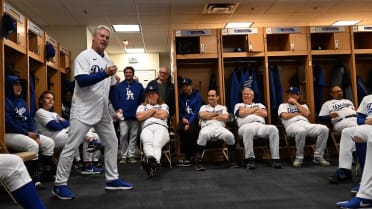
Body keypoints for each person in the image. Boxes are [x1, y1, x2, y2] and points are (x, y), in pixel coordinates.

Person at [52, 25, 133, 200]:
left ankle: (112, 179)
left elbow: (111, 88)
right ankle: (59, 185)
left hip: (102, 110)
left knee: (112, 141)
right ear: (94, 38)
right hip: (83, 110)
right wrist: (104, 73)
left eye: (107, 37)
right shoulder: (84, 57)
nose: (104, 39)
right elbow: (81, 81)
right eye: (101, 36)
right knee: (71, 146)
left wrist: (117, 106)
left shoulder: (109, 60)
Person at [34, 90, 104, 175]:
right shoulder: (40, 112)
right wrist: (61, 122)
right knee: (83, 132)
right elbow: (54, 126)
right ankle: (88, 159)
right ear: (41, 100)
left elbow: (67, 123)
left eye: (52, 99)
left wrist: (61, 123)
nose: (51, 100)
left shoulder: (53, 113)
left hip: (62, 135)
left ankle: (88, 164)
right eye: (48, 98)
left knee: (94, 135)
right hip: (52, 139)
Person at [5, 76, 55, 187]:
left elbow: (29, 120)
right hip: (9, 134)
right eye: (15, 84)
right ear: (9, 86)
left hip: (26, 133)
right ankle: (33, 178)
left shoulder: (22, 101)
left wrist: (35, 133)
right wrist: (28, 134)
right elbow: (9, 123)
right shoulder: (5, 101)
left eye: (20, 85)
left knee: (49, 143)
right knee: (33, 146)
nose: (19, 87)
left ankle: (46, 173)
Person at [318, 86, 361, 184]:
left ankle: (354, 155)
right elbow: (320, 118)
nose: (340, 93)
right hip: (341, 122)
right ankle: (355, 153)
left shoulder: (348, 101)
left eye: (341, 91)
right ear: (331, 94)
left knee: (358, 128)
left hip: (355, 119)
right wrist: (329, 116)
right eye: (337, 92)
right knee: (352, 130)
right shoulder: (328, 104)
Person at [278, 86, 330, 167]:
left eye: (293, 94)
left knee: (324, 129)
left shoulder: (304, 106)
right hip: (291, 126)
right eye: (290, 94)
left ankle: (318, 156)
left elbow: (306, 114)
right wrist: (298, 114)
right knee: (301, 131)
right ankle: (299, 157)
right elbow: (284, 116)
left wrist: (295, 103)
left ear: (298, 96)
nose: (291, 95)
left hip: (306, 124)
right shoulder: (283, 105)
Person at [336, 94, 372, 209]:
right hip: (368, 125)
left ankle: (366, 192)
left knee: (370, 136)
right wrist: (367, 122)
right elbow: (360, 119)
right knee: (353, 132)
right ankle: (345, 170)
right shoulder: (367, 98)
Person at [234, 88, 281, 169]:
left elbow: (264, 113)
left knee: (273, 129)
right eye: (244, 94)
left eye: (248, 94)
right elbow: (241, 113)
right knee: (248, 130)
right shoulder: (238, 105)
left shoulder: (260, 104)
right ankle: (250, 159)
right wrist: (255, 109)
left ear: (253, 96)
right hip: (245, 126)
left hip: (260, 126)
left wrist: (247, 111)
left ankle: (275, 158)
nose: (246, 95)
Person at [195, 89, 238, 171]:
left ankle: (232, 160)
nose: (210, 97)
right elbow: (202, 115)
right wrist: (217, 114)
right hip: (207, 127)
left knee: (230, 136)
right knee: (203, 134)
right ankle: (199, 161)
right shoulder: (203, 107)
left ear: (217, 97)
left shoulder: (222, 107)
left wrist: (209, 116)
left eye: (212, 96)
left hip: (220, 128)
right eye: (209, 96)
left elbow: (225, 117)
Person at [110, 66, 144, 164]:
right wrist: (118, 109)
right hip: (123, 115)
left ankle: (131, 155)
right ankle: (124, 155)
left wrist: (140, 110)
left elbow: (142, 99)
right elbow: (115, 99)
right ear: (124, 74)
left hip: (135, 115)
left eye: (130, 72)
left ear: (133, 74)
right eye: (126, 72)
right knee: (123, 135)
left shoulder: (139, 86)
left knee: (134, 135)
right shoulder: (119, 86)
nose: (128, 74)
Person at [136, 84, 170, 177]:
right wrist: (153, 111)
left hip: (161, 127)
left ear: (158, 95)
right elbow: (139, 117)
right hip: (147, 127)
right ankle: (154, 162)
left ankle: (151, 162)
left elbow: (163, 116)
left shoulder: (164, 105)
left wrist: (147, 114)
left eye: (153, 93)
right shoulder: (142, 106)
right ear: (146, 96)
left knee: (156, 143)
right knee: (147, 143)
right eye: (149, 94)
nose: (151, 95)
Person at [177, 78, 203, 167]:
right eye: (183, 86)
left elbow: (197, 112)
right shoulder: (181, 96)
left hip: (193, 119)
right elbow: (180, 110)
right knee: (180, 130)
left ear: (191, 86)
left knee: (191, 132)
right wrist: (183, 118)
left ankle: (189, 156)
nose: (185, 88)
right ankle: (186, 155)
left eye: (187, 86)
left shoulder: (197, 95)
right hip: (185, 119)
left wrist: (189, 123)